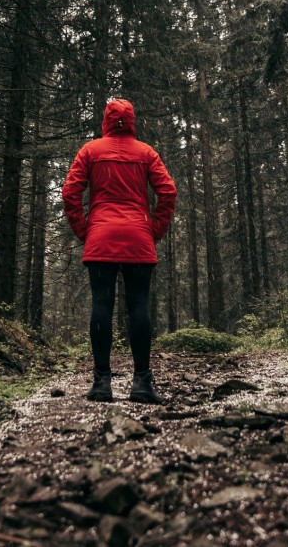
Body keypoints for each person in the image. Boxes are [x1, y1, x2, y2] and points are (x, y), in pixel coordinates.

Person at [62, 99, 177, 403]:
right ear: (132, 120)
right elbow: (168, 191)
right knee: (138, 305)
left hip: (101, 235)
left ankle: (102, 384)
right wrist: (155, 230)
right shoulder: (146, 153)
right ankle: (142, 383)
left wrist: (83, 230)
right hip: (138, 237)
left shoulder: (90, 150)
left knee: (102, 303)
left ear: (106, 120)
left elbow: (70, 191)